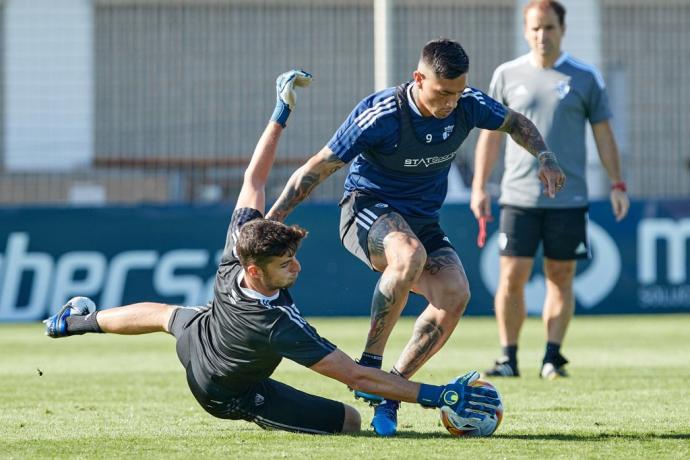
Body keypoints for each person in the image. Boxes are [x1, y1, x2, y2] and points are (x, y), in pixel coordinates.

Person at [44, 70, 500, 435]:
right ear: (256, 273)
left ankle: (74, 321)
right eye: (285, 264)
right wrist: (436, 394)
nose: (296, 267)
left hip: (205, 332)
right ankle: (246, 405)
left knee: (167, 315)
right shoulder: (275, 325)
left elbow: (254, 180)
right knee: (351, 420)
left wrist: (281, 112)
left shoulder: (235, 252)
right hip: (228, 391)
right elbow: (357, 377)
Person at [266, 39, 565, 436]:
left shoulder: (468, 103)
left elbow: (516, 123)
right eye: (443, 93)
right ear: (418, 78)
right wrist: (271, 222)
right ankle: (368, 366)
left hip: (422, 221)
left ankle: (391, 391)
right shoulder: (381, 115)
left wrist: (545, 157)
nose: (451, 103)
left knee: (455, 294)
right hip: (365, 210)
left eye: (458, 93)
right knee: (408, 255)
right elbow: (316, 169)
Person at [471, 0, 630, 380]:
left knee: (561, 275)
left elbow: (604, 134)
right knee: (511, 277)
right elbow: (491, 137)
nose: (543, 36)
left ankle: (552, 358)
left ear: (562, 30)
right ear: (526, 31)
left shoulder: (585, 77)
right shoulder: (507, 75)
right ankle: (508, 357)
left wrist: (617, 183)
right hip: (517, 196)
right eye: (536, 28)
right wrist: (479, 185)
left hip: (569, 197)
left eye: (550, 28)